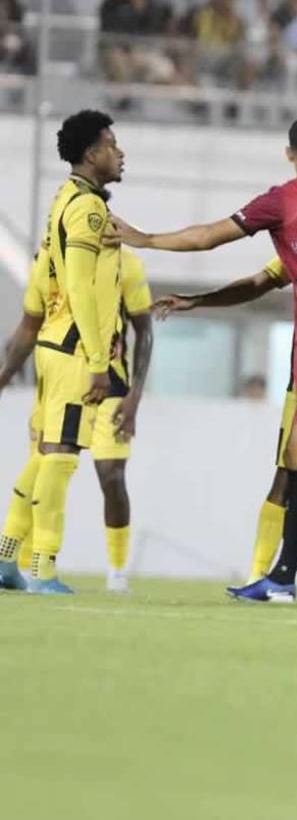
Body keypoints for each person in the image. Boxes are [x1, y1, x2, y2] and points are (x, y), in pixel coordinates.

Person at [111, 117, 297, 607]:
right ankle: (282, 577)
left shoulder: (284, 198)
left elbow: (206, 237)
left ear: (290, 154)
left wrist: (144, 238)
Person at [0, 110, 125, 594]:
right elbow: (78, 283)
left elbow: (39, 280)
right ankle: (44, 568)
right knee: (62, 455)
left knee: (44, 452)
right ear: (92, 154)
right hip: (74, 350)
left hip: (52, 342)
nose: (120, 153)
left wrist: (28, 338)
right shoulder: (88, 209)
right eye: (112, 145)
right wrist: (99, 363)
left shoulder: (64, 200)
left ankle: (7, 556)